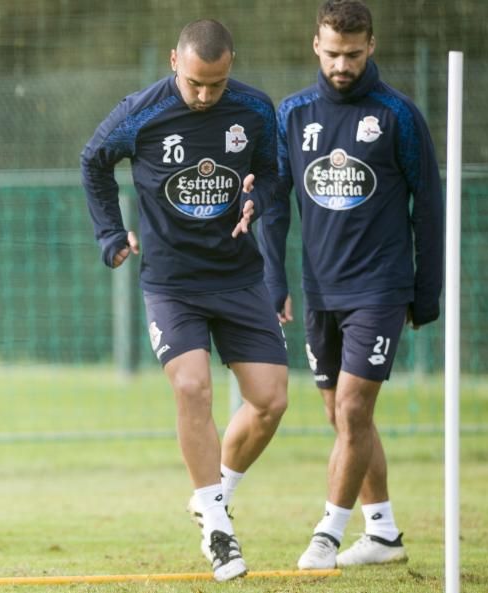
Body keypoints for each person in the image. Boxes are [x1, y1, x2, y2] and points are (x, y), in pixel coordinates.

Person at [81, 19, 288, 582]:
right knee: (192, 387)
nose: (203, 96)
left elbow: (273, 173)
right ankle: (218, 526)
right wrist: (109, 232)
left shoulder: (255, 109)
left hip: (242, 278)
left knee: (270, 401)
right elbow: (93, 163)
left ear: (231, 68)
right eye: (195, 83)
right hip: (172, 283)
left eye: (215, 85)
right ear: (175, 61)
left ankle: (212, 492)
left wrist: (257, 199)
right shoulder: (140, 112)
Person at [258, 0, 443, 570]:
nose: (343, 65)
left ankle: (327, 535)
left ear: (372, 46)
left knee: (355, 410)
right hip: (320, 290)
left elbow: (428, 206)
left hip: (381, 287)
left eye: (354, 54)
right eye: (333, 53)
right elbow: (273, 206)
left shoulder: (398, 114)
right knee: (341, 417)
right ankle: (383, 533)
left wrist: (425, 291)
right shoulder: (291, 113)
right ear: (316, 44)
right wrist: (275, 282)